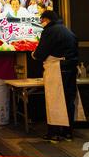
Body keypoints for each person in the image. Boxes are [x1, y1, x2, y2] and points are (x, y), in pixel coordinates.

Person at [32, 11, 85, 143]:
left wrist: (34, 54)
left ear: (46, 19)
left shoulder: (49, 31)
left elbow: (41, 52)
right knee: (68, 100)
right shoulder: (67, 31)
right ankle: (68, 133)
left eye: (42, 20)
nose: (41, 23)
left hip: (57, 69)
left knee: (54, 101)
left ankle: (54, 133)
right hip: (71, 68)